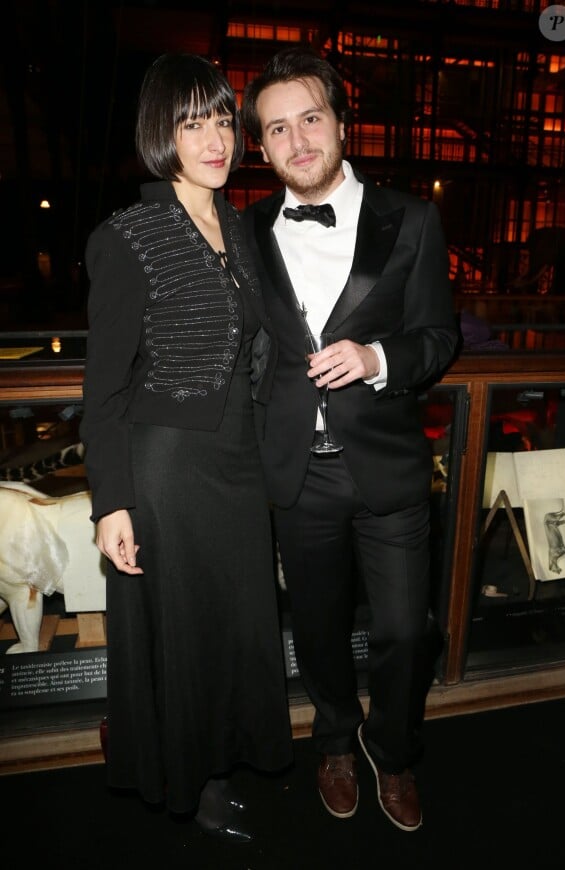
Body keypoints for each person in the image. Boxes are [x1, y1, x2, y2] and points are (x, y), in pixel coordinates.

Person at [241, 46, 459, 832]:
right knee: (318, 627)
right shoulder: (247, 230)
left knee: (408, 630)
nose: (297, 141)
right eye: (276, 129)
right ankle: (334, 735)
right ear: (260, 147)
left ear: (339, 121)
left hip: (390, 465)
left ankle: (392, 750)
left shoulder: (415, 218)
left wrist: (378, 358)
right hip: (297, 473)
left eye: (309, 118)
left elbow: (439, 337)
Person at [80, 53, 293, 844]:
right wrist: (113, 503)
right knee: (189, 632)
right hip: (167, 467)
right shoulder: (128, 236)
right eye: (190, 121)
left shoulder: (241, 225)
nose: (212, 138)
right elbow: (102, 389)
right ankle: (195, 781)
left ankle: (228, 756)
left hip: (238, 462)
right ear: (159, 133)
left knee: (241, 625)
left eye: (219, 120)